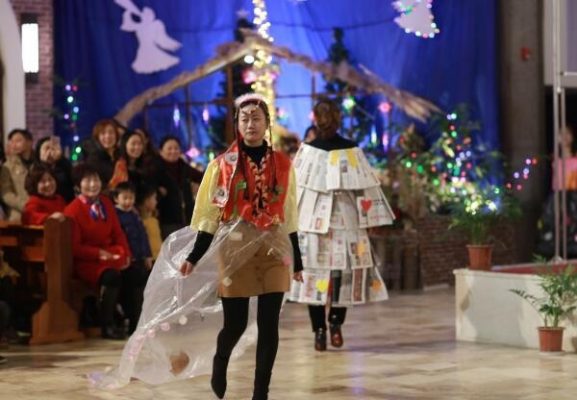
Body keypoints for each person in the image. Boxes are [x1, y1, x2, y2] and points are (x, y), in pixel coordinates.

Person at [290, 98, 393, 351]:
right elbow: (296, 189)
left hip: (342, 220)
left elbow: (365, 188)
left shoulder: (348, 149)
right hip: (316, 223)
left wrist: (371, 219)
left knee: (340, 274)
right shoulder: (311, 150)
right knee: (319, 275)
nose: (326, 121)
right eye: (323, 116)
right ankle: (323, 328)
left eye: (329, 116)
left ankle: (332, 325)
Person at [64, 164, 131, 339]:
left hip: (109, 255)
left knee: (136, 272)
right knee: (111, 277)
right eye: (87, 180)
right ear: (78, 185)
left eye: (96, 179)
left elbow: (118, 232)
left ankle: (135, 323)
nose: (93, 184)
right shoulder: (72, 210)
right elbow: (75, 247)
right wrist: (98, 254)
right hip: (87, 262)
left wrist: (126, 254)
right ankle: (107, 325)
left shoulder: (106, 203)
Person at [112, 182, 151, 333]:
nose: (128, 201)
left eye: (131, 198)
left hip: (139, 259)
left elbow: (143, 236)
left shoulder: (135, 215)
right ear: (116, 198)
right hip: (126, 261)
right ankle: (131, 322)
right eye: (125, 198)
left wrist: (147, 255)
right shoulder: (115, 215)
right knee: (129, 293)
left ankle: (139, 322)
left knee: (140, 290)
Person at [154, 135, 203, 238]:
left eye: (176, 148)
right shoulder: (155, 169)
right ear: (161, 151)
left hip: (188, 218)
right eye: (169, 148)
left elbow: (203, 177)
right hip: (167, 221)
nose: (173, 151)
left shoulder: (183, 166)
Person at [0, 129, 35, 221]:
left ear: (30, 142)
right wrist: (25, 205)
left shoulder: (39, 163)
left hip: (39, 212)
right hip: (18, 215)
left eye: (18, 141)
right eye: (12, 142)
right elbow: (6, 194)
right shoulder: (7, 166)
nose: (14, 145)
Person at [34, 136, 75, 203]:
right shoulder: (34, 168)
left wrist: (60, 158)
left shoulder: (64, 165)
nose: (50, 151)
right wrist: (44, 163)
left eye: (53, 148)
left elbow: (73, 180)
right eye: (47, 148)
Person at [136, 185, 162, 260]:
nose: (156, 202)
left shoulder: (154, 220)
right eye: (154, 198)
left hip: (159, 258)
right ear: (146, 201)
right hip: (150, 260)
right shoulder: (140, 222)